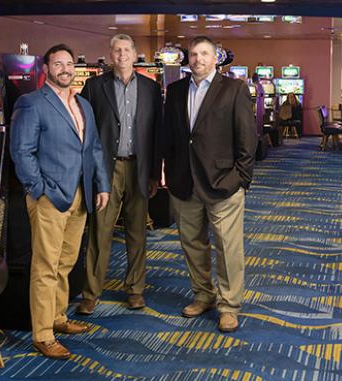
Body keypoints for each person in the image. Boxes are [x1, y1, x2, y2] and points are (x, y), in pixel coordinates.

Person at [10, 43, 110, 359]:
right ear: (47, 68)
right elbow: (21, 152)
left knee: (66, 263)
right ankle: (42, 334)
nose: (65, 68)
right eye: (58, 63)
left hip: (80, 194)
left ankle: (58, 317)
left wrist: (102, 185)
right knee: (45, 266)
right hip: (50, 197)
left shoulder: (83, 104)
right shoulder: (32, 103)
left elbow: (93, 149)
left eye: (69, 63)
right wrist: (39, 189)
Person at [161, 35, 258, 333]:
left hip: (223, 183)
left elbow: (247, 139)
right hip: (184, 182)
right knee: (192, 244)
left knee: (228, 248)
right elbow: (171, 137)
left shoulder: (234, 89)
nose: (198, 59)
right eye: (193, 54)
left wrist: (241, 179)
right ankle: (202, 294)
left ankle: (228, 306)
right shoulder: (175, 90)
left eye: (204, 54)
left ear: (216, 58)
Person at [76, 34, 163, 315]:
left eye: (127, 50)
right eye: (117, 50)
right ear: (111, 55)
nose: (122, 55)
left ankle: (135, 290)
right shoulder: (93, 86)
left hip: (139, 167)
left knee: (137, 233)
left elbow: (155, 135)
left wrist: (154, 173)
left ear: (135, 54)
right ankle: (91, 292)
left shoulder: (151, 88)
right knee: (100, 232)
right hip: (106, 169)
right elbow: (86, 132)